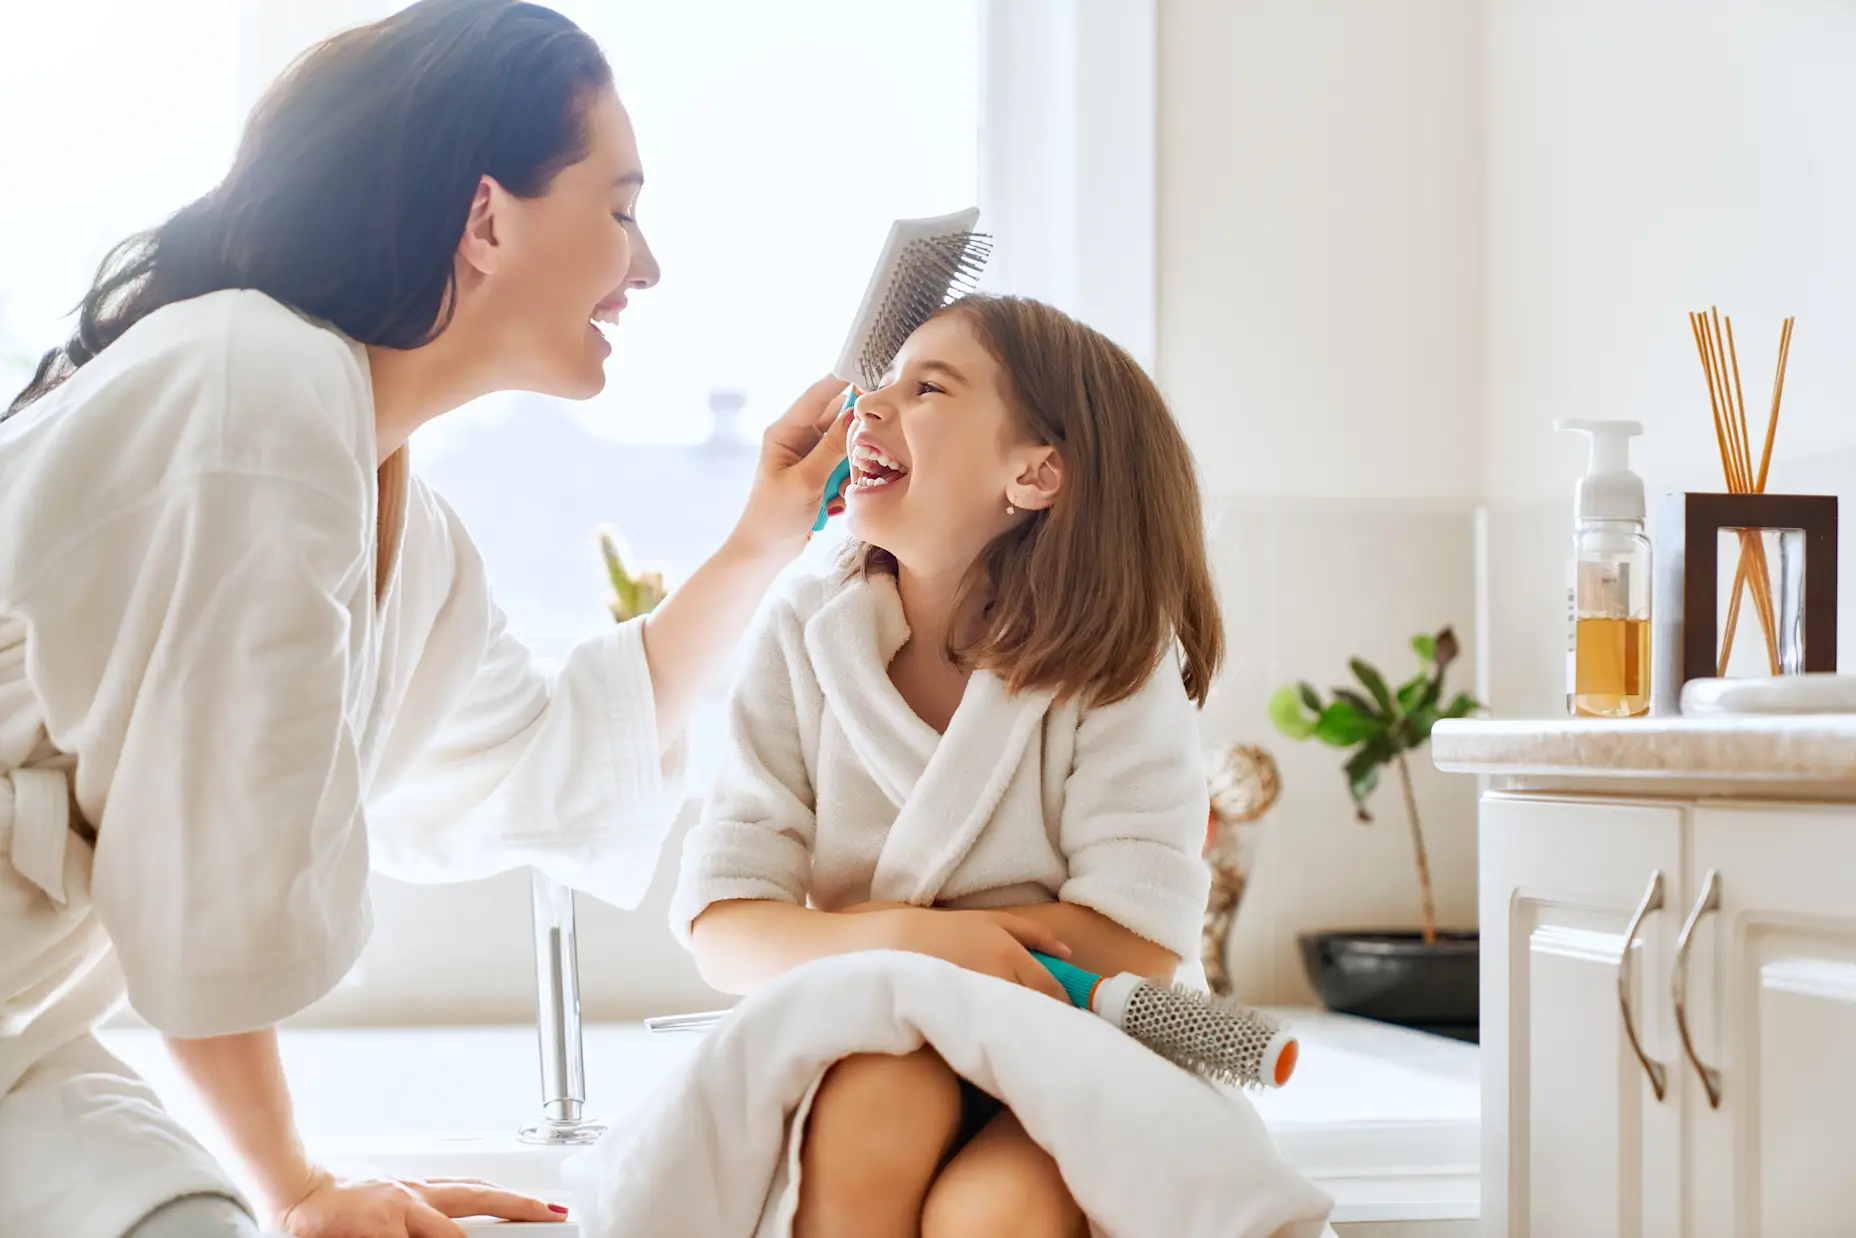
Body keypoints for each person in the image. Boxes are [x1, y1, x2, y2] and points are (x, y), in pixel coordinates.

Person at [0, 2, 849, 1236]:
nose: (648, 265)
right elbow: (201, 863)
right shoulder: (253, 392)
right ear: (488, 217)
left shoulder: (390, 505)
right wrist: (298, 1181)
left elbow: (551, 756)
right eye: (619, 209)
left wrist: (763, 540)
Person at [671, 294, 1225, 1238]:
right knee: (867, 1123)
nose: (867, 407)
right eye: (878, 385)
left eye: (926, 387)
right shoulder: (803, 631)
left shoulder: (1119, 662)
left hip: (1079, 1042)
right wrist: (920, 949)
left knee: (996, 1214)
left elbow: (1135, 941)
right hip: (877, 1035)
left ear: (1036, 473)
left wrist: (918, 947)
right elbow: (725, 927)